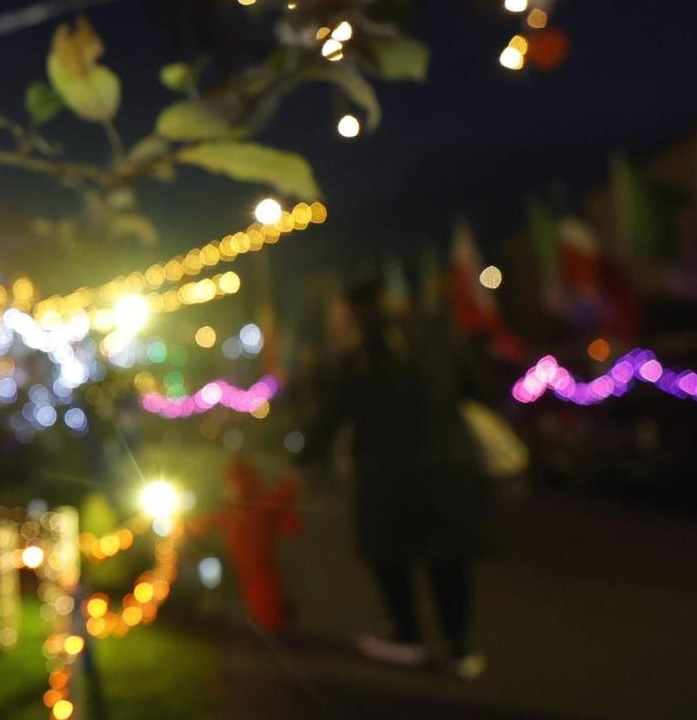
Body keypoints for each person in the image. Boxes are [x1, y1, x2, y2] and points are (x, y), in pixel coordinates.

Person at [303, 278, 491, 678]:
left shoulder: (359, 357)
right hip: (450, 466)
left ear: (351, 312)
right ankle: (459, 648)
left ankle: (408, 636)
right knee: (449, 559)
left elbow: (330, 416)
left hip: (387, 475)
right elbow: (476, 387)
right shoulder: (436, 337)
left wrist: (300, 460)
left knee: (391, 556)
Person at [192, 457, 302, 633]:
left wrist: (292, 479)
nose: (228, 490)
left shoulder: (259, 506)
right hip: (245, 566)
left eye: (231, 485)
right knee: (256, 593)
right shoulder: (234, 510)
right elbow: (207, 522)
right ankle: (268, 624)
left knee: (266, 592)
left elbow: (282, 496)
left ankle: (275, 625)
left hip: (260, 564)